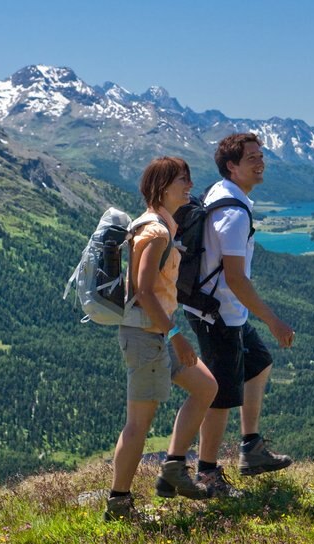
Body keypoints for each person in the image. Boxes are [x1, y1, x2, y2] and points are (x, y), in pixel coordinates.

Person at [105, 157, 219, 521]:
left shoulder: (161, 225)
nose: (189, 186)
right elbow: (143, 288)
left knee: (205, 387)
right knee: (138, 423)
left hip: (156, 331)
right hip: (147, 334)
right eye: (182, 181)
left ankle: (172, 467)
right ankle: (119, 503)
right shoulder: (155, 232)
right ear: (162, 187)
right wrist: (176, 335)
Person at [184, 133, 295, 497]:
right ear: (232, 166)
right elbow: (235, 277)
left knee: (259, 363)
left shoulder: (221, 193)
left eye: (261, 156)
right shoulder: (233, 212)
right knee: (220, 395)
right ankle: (208, 474)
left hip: (217, 309)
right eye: (251, 158)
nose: (260, 162)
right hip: (217, 314)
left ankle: (251, 448)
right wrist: (272, 319)